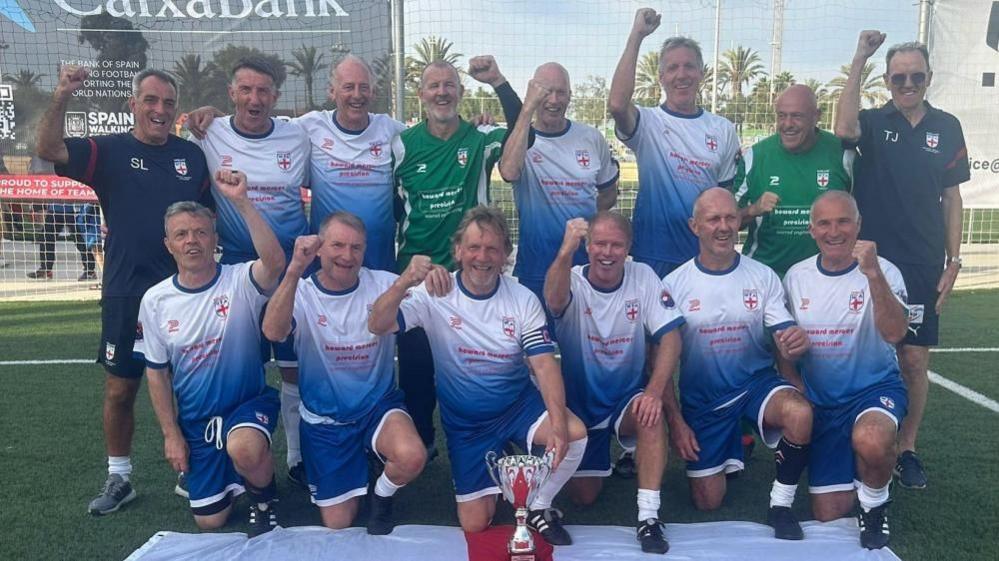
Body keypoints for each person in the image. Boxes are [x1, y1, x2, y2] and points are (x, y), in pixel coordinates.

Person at [35, 65, 214, 515]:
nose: (159, 110)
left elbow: (208, 218)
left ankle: (190, 469)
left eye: (168, 103)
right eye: (150, 101)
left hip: (185, 294)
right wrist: (62, 93)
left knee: (190, 385)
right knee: (120, 388)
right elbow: (47, 147)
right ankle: (120, 476)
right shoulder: (108, 150)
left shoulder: (192, 158)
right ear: (132, 105)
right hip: (127, 293)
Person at [368, 205, 588, 546]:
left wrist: (558, 424)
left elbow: (544, 364)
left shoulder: (522, 298)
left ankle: (538, 506)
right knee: (475, 523)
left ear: (505, 255)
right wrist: (406, 280)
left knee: (573, 434)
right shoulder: (434, 292)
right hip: (467, 424)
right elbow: (377, 324)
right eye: (473, 247)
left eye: (492, 249)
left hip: (517, 407)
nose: (481, 257)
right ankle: (501, 462)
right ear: (457, 250)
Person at [834, 32, 970, 489]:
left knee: (913, 360)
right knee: (865, 352)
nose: (907, 83)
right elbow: (842, 128)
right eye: (898, 77)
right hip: (870, 260)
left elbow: (952, 197)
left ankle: (904, 449)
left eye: (915, 76)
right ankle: (850, 437)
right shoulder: (872, 121)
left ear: (928, 78)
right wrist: (859, 57)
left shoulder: (947, 126)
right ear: (887, 82)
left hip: (922, 263)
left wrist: (954, 260)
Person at [391, 57, 528, 457]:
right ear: (421, 95)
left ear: (461, 92)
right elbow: (393, 206)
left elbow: (526, 134)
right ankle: (422, 442)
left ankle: (497, 434)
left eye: (449, 85)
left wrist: (500, 83)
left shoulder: (480, 137)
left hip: (469, 278)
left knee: (480, 363)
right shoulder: (402, 144)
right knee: (416, 368)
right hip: (417, 276)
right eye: (433, 86)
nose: (442, 92)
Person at [138, 169, 286, 536]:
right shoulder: (155, 301)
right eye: (182, 234)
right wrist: (172, 434)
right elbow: (156, 372)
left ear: (214, 239)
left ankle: (264, 498)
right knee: (210, 521)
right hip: (198, 425)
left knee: (246, 448)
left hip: (246, 405)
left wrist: (242, 203)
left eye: (201, 232)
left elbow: (275, 265)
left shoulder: (239, 281)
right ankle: (232, 476)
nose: (192, 241)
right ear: (168, 244)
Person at [261, 212, 427, 535]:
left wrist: (431, 275)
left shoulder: (383, 283)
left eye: (356, 248)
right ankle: (362, 460)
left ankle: (382, 494)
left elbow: (435, 300)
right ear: (319, 249)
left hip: (377, 407)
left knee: (411, 456)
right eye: (337, 245)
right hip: (327, 420)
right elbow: (272, 330)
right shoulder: (303, 292)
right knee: (338, 521)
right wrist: (294, 268)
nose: (347, 256)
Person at [662, 188, 813, 540]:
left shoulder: (761, 276)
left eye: (731, 217)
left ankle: (781, 505)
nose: (724, 226)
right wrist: (677, 422)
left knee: (800, 413)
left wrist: (796, 343)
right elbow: (661, 366)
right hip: (705, 400)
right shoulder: (675, 284)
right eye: (713, 219)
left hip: (755, 386)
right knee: (707, 502)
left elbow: (784, 334)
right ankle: (732, 444)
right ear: (694, 225)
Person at [190, 56, 311, 492]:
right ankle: (238, 461)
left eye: (263, 91)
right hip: (240, 272)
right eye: (246, 90)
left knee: (295, 367)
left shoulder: (299, 136)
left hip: (294, 272)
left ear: (276, 97)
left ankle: (298, 457)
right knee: (242, 369)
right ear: (231, 93)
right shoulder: (209, 132)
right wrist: (200, 115)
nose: (254, 99)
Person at [544, 212, 682, 554]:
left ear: (628, 248)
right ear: (587, 247)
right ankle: (609, 457)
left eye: (616, 245)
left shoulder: (643, 276)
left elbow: (672, 338)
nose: (607, 252)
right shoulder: (571, 278)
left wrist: (653, 393)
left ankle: (648, 517)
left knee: (650, 413)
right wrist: (564, 251)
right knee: (585, 497)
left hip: (625, 398)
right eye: (600, 244)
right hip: (580, 404)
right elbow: (553, 300)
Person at [782, 191, 910, 549]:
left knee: (871, 438)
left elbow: (896, 333)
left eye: (843, 221)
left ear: (859, 225)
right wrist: (795, 385)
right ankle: (866, 465)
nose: (834, 231)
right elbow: (782, 344)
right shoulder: (796, 277)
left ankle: (875, 505)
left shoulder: (885, 270)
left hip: (874, 390)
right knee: (829, 512)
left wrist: (872, 276)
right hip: (823, 405)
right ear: (811, 230)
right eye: (824, 223)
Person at [609, 8, 740, 278]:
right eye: (672, 68)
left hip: (705, 255)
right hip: (653, 254)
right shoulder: (647, 122)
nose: (682, 74)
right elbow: (618, 104)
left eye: (689, 66)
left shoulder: (723, 129)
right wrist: (637, 36)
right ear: (661, 78)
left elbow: (725, 199)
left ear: (701, 73)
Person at [499, 62, 619, 302]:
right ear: (532, 93)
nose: (553, 100)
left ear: (570, 96)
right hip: (536, 267)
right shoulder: (520, 139)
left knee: (586, 336)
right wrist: (527, 108)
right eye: (545, 91)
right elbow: (509, 172)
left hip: (586, 266)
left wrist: (586, 224)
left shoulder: (591, 138)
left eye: (560, 92)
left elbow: (608, 193)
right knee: (542, 338)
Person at [734, 84, 852, 277]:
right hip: (766, 276)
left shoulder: (842, 155)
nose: (787, 124)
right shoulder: (755, 156)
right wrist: (753, 209)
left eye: (797, 116)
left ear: (816, 116)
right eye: (781, 115)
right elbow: (729, 221)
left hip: (825, 278)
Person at [25, 202, 96, 281]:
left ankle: (90, 271)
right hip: (55, 208)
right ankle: (46, 269)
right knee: (46, 237)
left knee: (79, 239)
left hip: (73, 208)